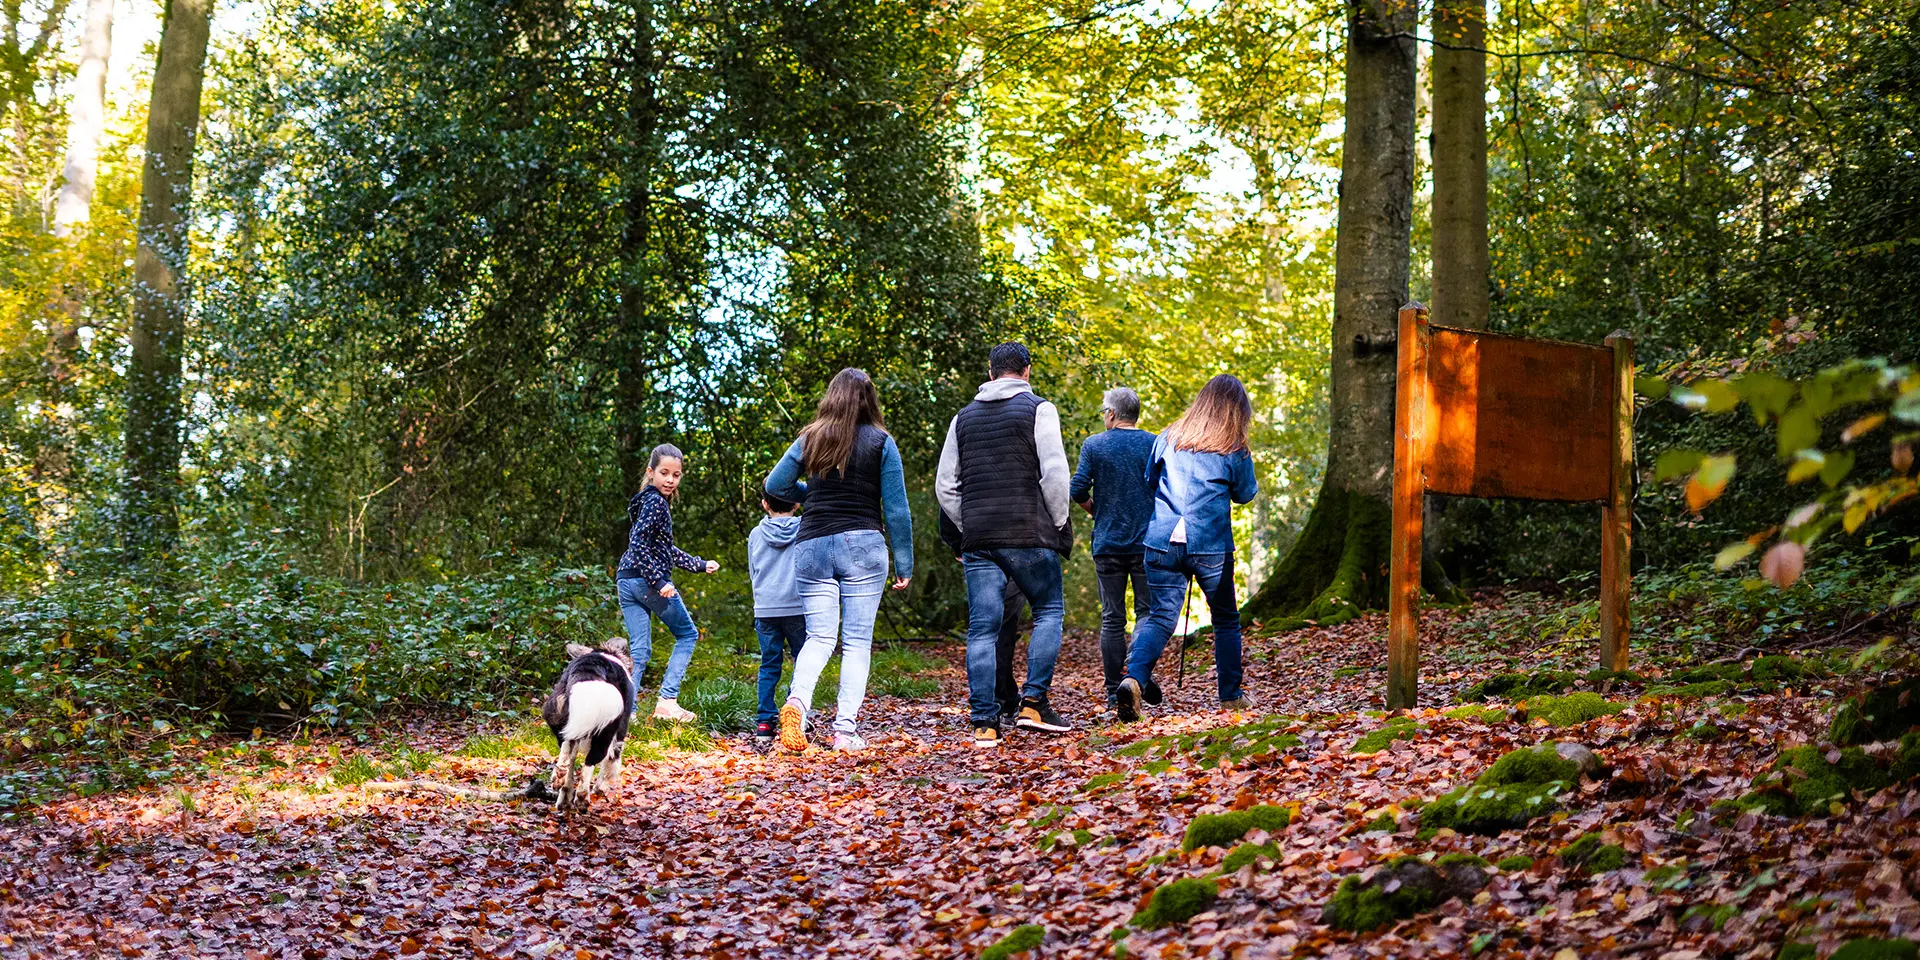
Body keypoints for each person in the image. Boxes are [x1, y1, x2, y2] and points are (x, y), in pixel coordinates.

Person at [766, 368, 914, 753]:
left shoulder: (810, 437)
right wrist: (904, 563)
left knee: (819, 637)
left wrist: (811, 493)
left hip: (812, 543)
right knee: (857, 642)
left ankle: (797, 701)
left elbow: (775, 486)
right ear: (870, 400)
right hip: (863, 544)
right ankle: (845, 732)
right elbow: (896, 509)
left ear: (831, 397)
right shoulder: (881, 442)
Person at [937, 342, 1074, 748]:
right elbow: (1054, 472)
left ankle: (984, 722)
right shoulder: (1039, 409)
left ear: (991, 371)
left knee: (982, 627)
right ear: (1027, 371)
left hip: (980, 539)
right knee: (1048, 609)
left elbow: (945, 485)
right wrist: (1059, 520)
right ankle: (1033, 703)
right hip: (1028, 532)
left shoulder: (961, 418)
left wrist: (969, 524)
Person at [1116, 374, 1259, 722]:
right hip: (1209, 544)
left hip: (1162, 540)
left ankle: (1134, 680)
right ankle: (1230, 696)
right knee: (1225, 618)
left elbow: (1151, 479)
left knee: (1161, 616)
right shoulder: (1234, 447)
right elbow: (1245, 493)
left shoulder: (1168, 437)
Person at [616, 443, 720, 723]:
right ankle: (667, 703)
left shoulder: (644, 502)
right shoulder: (655, 502)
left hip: (626, 580)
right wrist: (658, 580)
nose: (670, 480)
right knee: (687, 634)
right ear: (651, 472)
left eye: (676, 475)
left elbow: (663, 549)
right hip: (645, 582)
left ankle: (627, 712)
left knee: (639, 650)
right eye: (664, 473)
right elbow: (637, 545)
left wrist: (698, 564)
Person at [1070, 386, 1158, 712]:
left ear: (1111, 414)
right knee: (1147, 613)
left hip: (1107, 544)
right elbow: (1166, 487)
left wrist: (1098, 511)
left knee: (1112, 619)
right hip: (1147, 542)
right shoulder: (1154, 444)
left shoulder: (1094, 445)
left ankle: (1112, 694)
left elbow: (1077, 489)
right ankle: (1137, 679)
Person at [747, 489, 807, 750]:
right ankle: (799, 715)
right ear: (797, 503)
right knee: (802, 663)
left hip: (766, 608)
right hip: (797, 606)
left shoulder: (755, 535)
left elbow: (753, 572)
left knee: (769, 665)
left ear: (764, 504)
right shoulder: (806, 529)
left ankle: (764, 723)